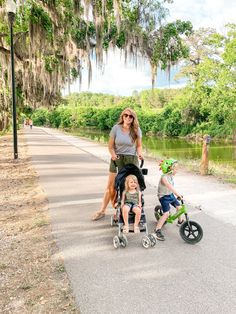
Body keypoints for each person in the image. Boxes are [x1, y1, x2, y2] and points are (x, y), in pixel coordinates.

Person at [92, 107, 143, 221]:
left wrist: (140, 154)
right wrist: (113, 154)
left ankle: (125, 210)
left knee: (129, 186)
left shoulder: (136, 130)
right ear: (122, 116)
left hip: (131, 159)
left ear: (133, 118)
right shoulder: (116, 128)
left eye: (131, 116)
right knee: (111, 187)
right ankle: (102, 211)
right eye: (126, 115)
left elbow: (139, 146)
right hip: (117, 158)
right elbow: (110, 146)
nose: (128, 118)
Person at [154, 159, 183, 241]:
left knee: (179, 207)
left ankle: (180, 222)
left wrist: (176, 195)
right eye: (175, 169)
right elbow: (170, 186)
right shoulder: (164, 178)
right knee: (166, 214)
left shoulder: (170, 176)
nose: (177, 171)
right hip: (163, 197)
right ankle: (157, 230)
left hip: (170, 195)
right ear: (169, 169)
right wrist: (178, 194)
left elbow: (171, 189)